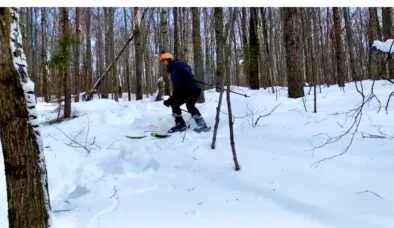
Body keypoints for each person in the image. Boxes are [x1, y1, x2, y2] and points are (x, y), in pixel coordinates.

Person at [159, 51, 210, 133]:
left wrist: (188, 75)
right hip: (184, 91)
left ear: (169, 60)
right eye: (162, 63)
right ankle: (180, 124)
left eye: (164, 61)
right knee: (174, 103)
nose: (163, 64)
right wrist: (170, 100)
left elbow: (187, 68)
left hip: (192, 88)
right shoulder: (173, 72)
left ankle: (202, 125)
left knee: (190, 105)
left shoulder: (177, 64)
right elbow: (176, 90)